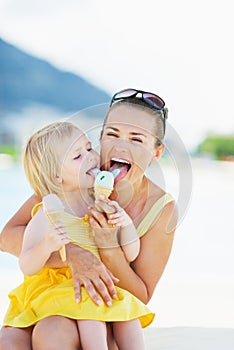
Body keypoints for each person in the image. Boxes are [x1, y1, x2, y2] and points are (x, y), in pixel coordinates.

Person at [0, 88, 178, 349]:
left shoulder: (161, 209)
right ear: (101, 138)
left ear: (157, 152)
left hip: (106, 310)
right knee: (8, 340)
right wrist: (71, 254)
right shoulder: (72, 181)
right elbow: (7, 237)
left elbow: (141, 295)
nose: (120, 146)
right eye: (112, 135)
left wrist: (108, 247)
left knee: (52, 332)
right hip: (53, 295)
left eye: (137, 140)